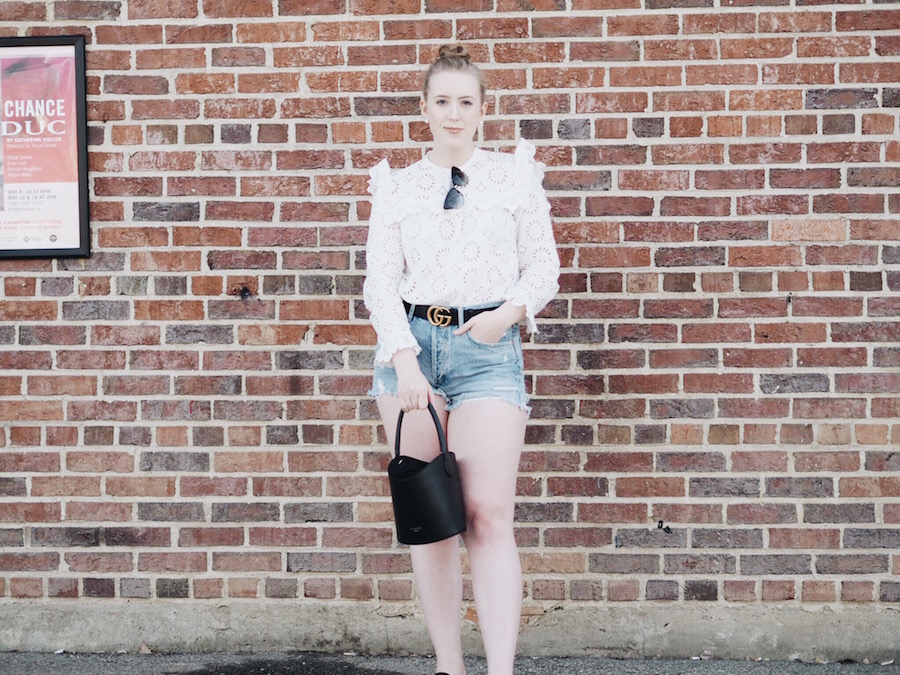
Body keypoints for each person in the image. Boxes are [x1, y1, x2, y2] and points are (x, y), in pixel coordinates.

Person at [363, 44, 560, 675]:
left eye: (465, 102)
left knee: (487, 514)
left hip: (488, 353)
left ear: (482, 111)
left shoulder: (512, 178)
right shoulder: (398, 187)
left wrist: (505, 316)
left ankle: (500, 670)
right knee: (433, 519)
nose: (454, 113)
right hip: (412, 353)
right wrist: (405, 360)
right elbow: (379, 281)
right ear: (424, 109)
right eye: (441, 101)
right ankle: (450, 667)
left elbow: (545, 267)